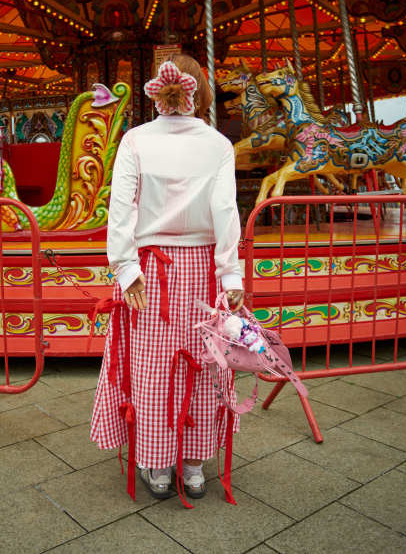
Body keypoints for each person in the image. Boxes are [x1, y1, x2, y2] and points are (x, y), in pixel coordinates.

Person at [90, 54, 244, 505]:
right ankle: (193, 465)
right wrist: (230, 271)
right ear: (199, 91)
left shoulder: (135, 141)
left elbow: (121, 208)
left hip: (149, 271)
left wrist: (125, 267)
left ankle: (158, 465)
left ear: (157, 90)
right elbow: (225, 211)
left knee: (153, 367)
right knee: (203, 360)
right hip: (201, 266)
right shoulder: (217, 144)